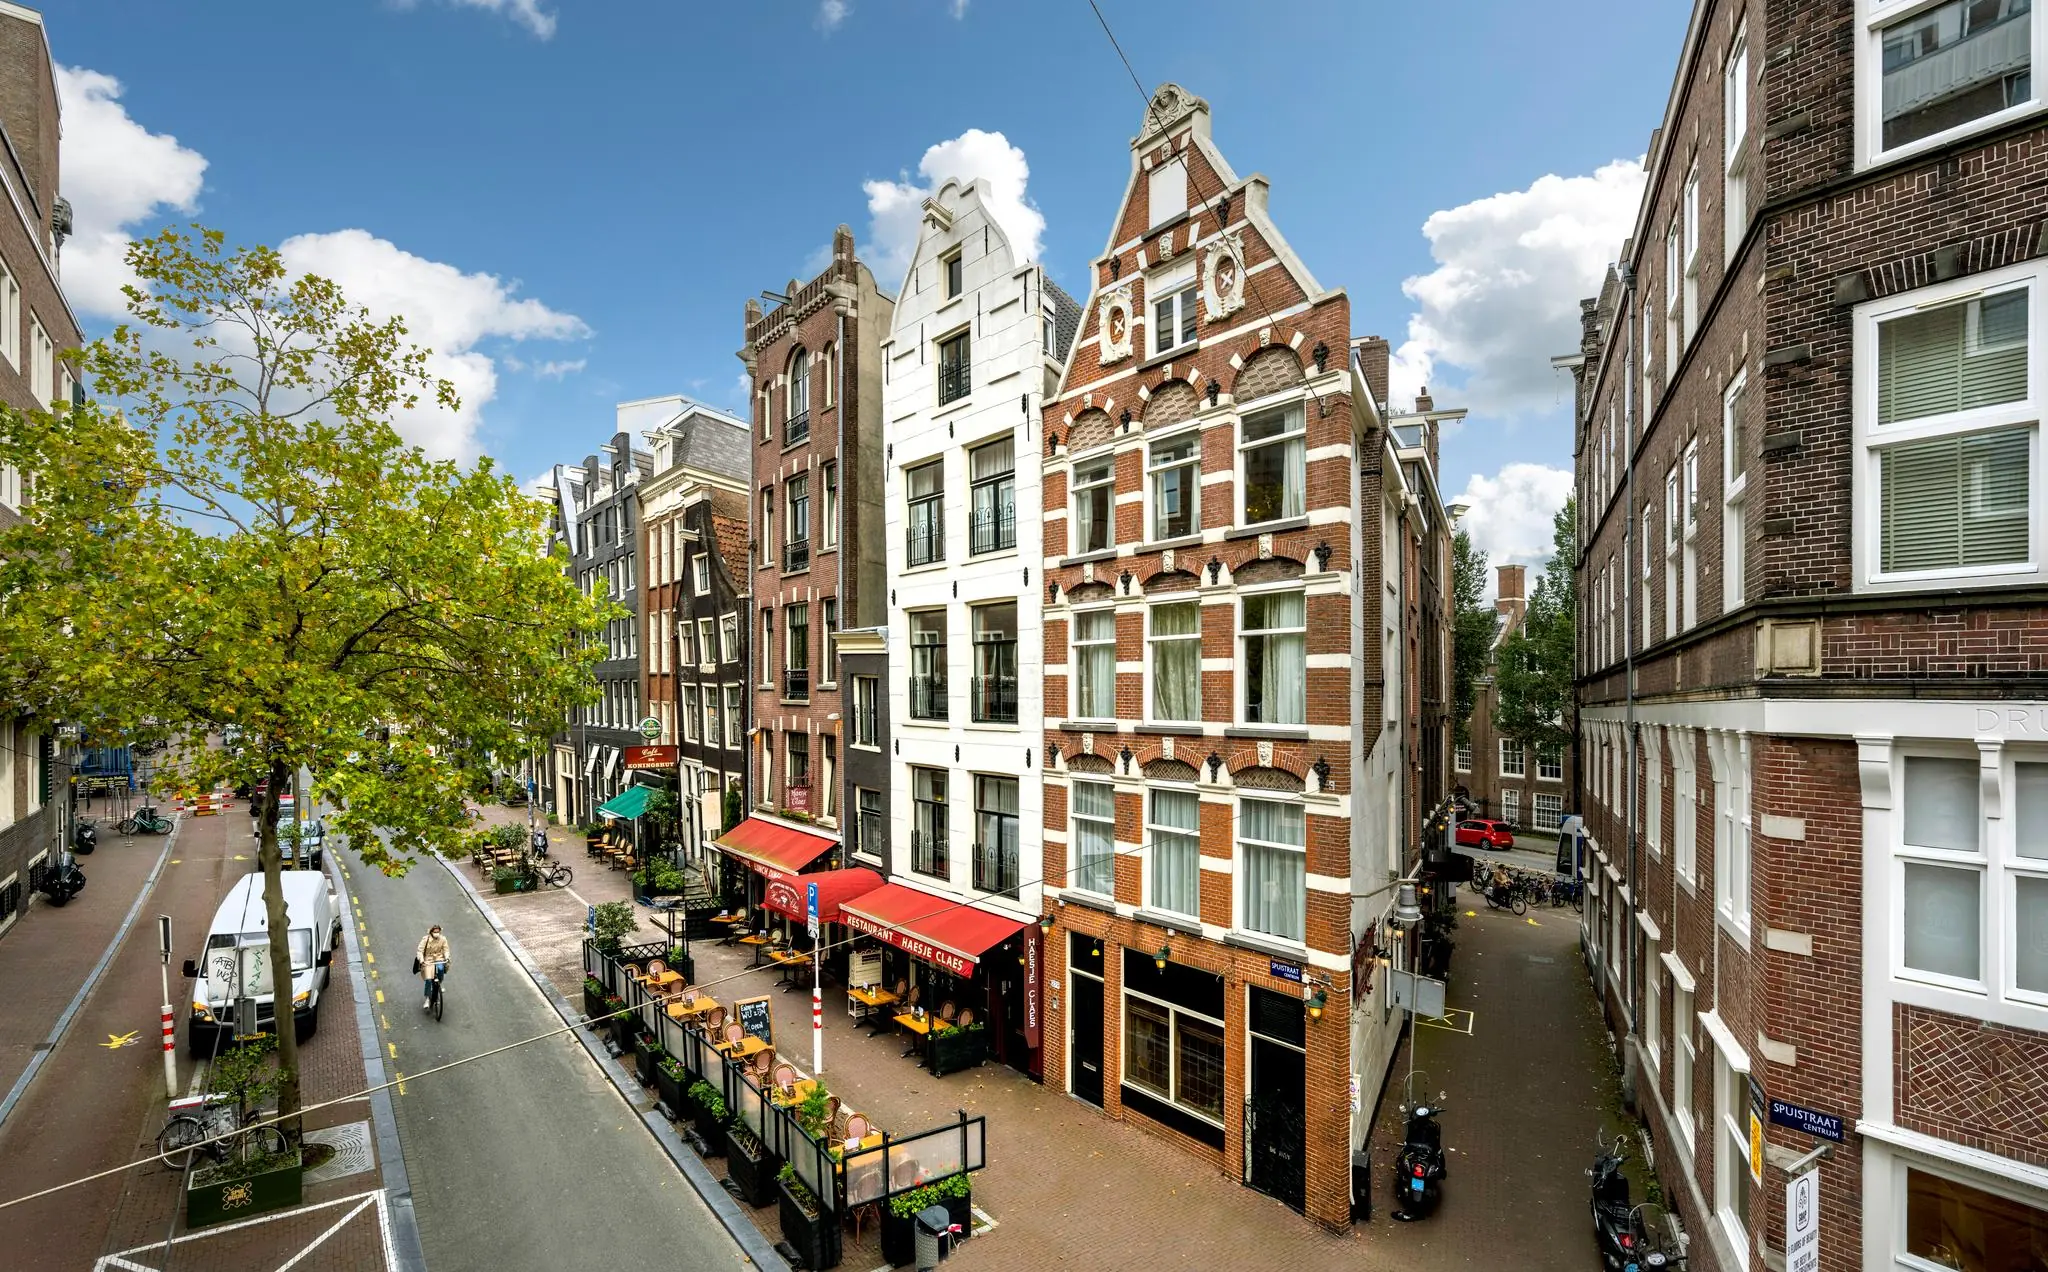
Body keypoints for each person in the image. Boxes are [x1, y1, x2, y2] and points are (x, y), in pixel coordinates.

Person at [416, 925, 450, 1009]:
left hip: (439, 958)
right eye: (435, 932)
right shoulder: (425, 939)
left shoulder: (443, 939)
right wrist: (421, 960)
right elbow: (420, 951)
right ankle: (427, 998)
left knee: (441, 969)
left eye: (438, 932)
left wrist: (447, 957)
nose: (436, 933)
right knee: (428, 979)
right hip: (428, 960)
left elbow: (446, 950)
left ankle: (438, 986)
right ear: (431, 932)